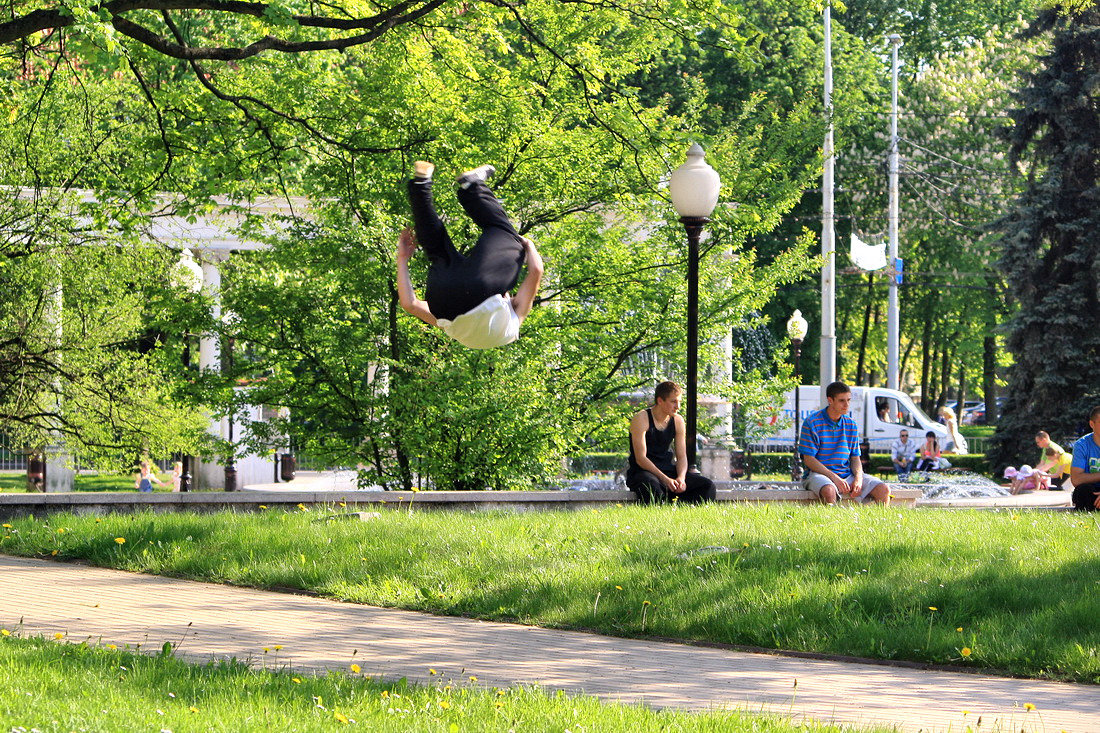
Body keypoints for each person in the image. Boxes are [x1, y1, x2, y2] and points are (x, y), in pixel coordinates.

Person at [396, 161, 544, 349]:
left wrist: (528, 246)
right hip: (442, 301)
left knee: (503, 231)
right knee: (437, 251)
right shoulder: (455, 327)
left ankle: (472, 185)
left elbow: (537, 270)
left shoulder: (514, 324)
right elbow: (410, 304)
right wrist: (402, 259)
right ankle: (420, 186)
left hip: (480, 289)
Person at [798, 381, 890, 505]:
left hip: (847, 474)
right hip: (819, 475)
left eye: (848, 400)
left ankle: (881, 523)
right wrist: (834, 478)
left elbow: (855, 458)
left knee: (883, 489)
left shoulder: (851, 424)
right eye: (842, 400)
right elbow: (808, 459)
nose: (846, 404)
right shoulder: (812, 422)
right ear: (830, 400)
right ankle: (831, 523)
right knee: (829, 491)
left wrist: (858, 478)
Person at [626, 381, 716, 504]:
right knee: (653, 487)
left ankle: (679, 511)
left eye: (679, 401)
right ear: (660, 401)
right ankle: (666, 507)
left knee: (707, 486)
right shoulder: (641, 418)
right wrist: (665, 480)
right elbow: (641, 459)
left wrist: (681, 479)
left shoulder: (678, 421)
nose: (678, 406)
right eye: (673, 401)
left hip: (668, 470)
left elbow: (681, 456)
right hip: (643, 472)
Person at [1070, 406, 1100, 511]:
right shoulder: (1081, 445)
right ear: (1092, 424)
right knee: (1082, 491)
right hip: (1092, 492)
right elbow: (1076, 479)